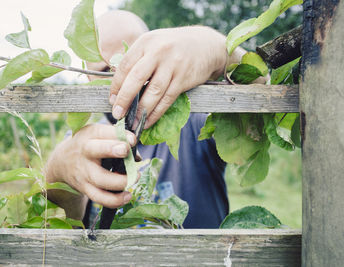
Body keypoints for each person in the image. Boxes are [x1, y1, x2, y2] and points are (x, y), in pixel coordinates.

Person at [45, 10, 257, 228]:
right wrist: (58, 169)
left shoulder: (194, 123)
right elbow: (63, 213)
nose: (123, 78)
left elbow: (260, 83)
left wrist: (213, 47)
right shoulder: (86, 140)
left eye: (135, 62)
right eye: (105, 70)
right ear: (88, 77)